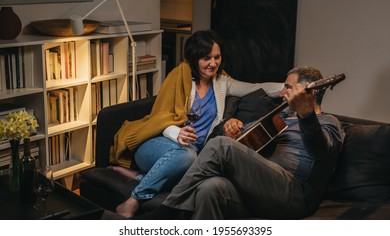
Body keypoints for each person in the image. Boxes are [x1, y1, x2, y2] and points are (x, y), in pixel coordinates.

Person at [109, 30, 283, 218]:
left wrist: (287, 88)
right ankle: (133, 200)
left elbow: (256, 87)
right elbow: (159, 117)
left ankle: (139, 177)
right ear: (195, 58)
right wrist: (177, 134)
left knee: (199, 165)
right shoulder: (178, 76)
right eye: (206, 58)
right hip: (155, 143)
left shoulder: (222, 82)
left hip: (191, 152)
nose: (213, 63)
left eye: (217, 57)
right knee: (188, 157)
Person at [133, 66, 345, 219]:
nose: (282, 93)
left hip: (294, 195)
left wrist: (306, 114)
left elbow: (322, 152)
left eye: (288, 87)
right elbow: (247, 134)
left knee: (221, 146)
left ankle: (165, 212)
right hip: (260, 189)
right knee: (211, 187)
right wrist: (231, 125)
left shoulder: (329, 122)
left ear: (310, 91)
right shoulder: (279, 117)